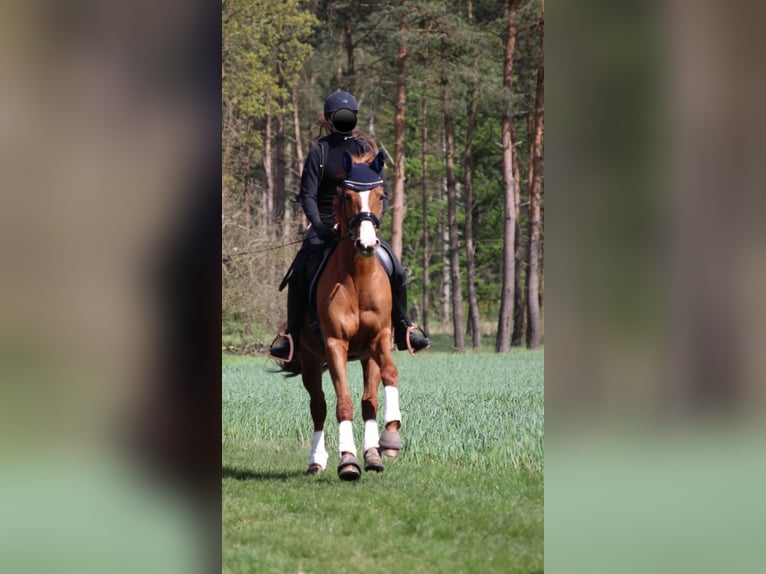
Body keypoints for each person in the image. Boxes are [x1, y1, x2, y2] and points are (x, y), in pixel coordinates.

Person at [269, 90, 430, 361]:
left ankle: (404, 328)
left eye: (349, 116)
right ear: (330, 119)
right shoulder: (319, 152)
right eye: (339, 116)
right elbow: (307, 195)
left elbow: (382, 193)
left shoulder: (365, 150)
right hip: (324, 226)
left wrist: (372, 222)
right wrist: (319, 226)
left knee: (397, 270)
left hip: (361, 225)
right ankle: (291, 337)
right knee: (299, 273)